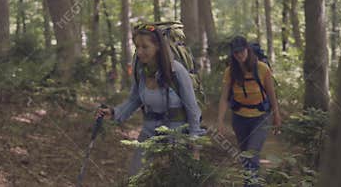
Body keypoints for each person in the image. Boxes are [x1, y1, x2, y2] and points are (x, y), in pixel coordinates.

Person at [97, 24, 205, 176]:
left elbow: (192, 109)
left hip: (176, 135)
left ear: (158, 47)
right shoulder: (141, 71)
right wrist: (114, 113)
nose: (139, 52)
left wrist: (194, 143)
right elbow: (134, 100)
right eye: (137, 46)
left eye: (145, 47)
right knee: (136, 177)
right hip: (149, 132)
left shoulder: (176, 71)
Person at [217, 36, 282, 186]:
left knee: (252, 154)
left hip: (260, 117)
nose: (239, 55)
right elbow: (224, 97)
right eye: (235, 53)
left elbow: (271, 94)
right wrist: (220, 120)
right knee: (245, 155)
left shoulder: (262, 68)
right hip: (239, 118)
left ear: (247, 49)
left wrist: (277, 115)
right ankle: (251, 182)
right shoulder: (230, 71)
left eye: (241, 51)